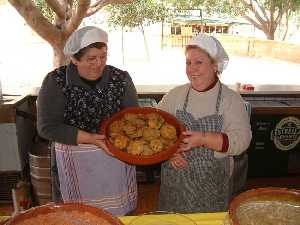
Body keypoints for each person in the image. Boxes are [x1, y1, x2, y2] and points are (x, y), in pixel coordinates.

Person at [37, 26, 138, 216]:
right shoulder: (57, 82)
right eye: (91, 58)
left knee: (117, 215)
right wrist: (91, 138)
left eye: (103, 56)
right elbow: (47, 127)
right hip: (74, 164)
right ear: (74, 59)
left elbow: (134, 119)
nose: (99, 64)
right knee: (75, 215)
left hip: (114, 161)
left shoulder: (120, 79)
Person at [157, 34, 252, 213]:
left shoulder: (231, 99)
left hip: (212, 185)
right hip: (176, 185)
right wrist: (170, 153)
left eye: (198, 62)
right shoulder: (175, 95)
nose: (191, 69)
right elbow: (155, 130)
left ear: (215, 65)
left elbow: (241, 141)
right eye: (188, 63)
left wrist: (203, 138)